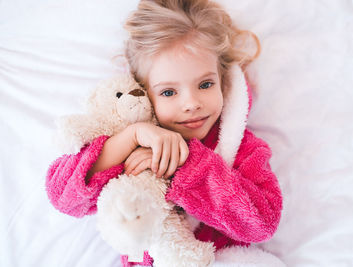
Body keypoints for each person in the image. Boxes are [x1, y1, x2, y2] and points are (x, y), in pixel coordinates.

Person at [46, 0, 283, 266]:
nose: (191, 103)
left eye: (205, 84)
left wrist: (185, 164)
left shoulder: (243, 148)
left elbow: (262, 223)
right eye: (169, 92)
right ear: (144, 90)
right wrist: (130, 137)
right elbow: (64, 198)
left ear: (223, 79)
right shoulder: (128, 145)